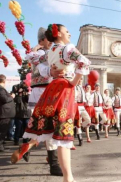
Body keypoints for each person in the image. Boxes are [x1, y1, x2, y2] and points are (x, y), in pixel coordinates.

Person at [11, 24, 91, 182]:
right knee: (62, 135)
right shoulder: (67, 49)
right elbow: (84, 62)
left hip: (51, 88)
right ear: (59, 34)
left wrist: (50, 71)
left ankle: (66, 175)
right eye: (66, 31)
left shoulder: (50, 51)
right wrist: (74, 81)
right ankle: (67, 177)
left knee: (55, 131)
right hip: (64, 90)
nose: (69, 33)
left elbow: (34, 59)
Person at [23, 27, 63, 176]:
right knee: (48, 128)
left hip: (45, 92)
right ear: (41, 40)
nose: (51, 41)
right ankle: (53, 164)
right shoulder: (41, 53)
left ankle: (28, 145)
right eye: (48, 39)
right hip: (43, 92)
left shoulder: (42, 52)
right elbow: (39, 63)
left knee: (43, 127)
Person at [0, 74, 16, 152]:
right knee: (2, 131)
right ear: (4, 80)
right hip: (4, 114)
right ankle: (0, 146)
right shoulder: (1, 89)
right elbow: (4, 99)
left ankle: (2, 145)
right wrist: (11, 96)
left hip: (5, 113)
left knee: (4, 130)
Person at [75, 77, 91, 145]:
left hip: (82, 106)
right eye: (79, 79)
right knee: (78, 121)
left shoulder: (82, 88)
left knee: (88, 120)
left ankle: (80, 127)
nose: (80, 80)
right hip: (77, 106)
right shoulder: (75, 87)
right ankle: (80, 138)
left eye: (81, 79)